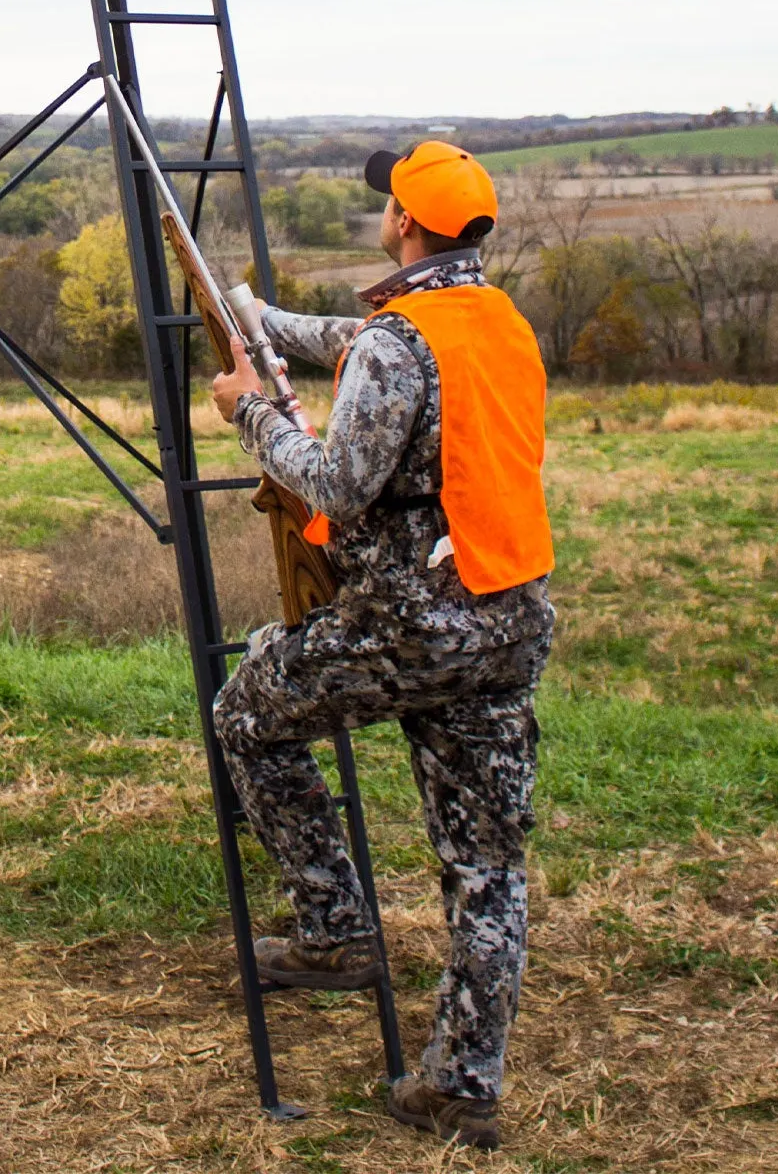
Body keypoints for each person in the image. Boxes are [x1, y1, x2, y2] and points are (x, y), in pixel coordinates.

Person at [209, 140, 555, 1154]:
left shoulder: (396, 345)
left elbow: (335, 482)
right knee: (485, 863)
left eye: (386, 208)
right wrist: (262, 320)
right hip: (507, 621)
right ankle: (461, 1081)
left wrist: (249, 416)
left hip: (407, 623)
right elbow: (359, 339)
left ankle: (330, 924)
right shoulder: (496, 323)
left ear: (402, 223)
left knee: (246, 714)